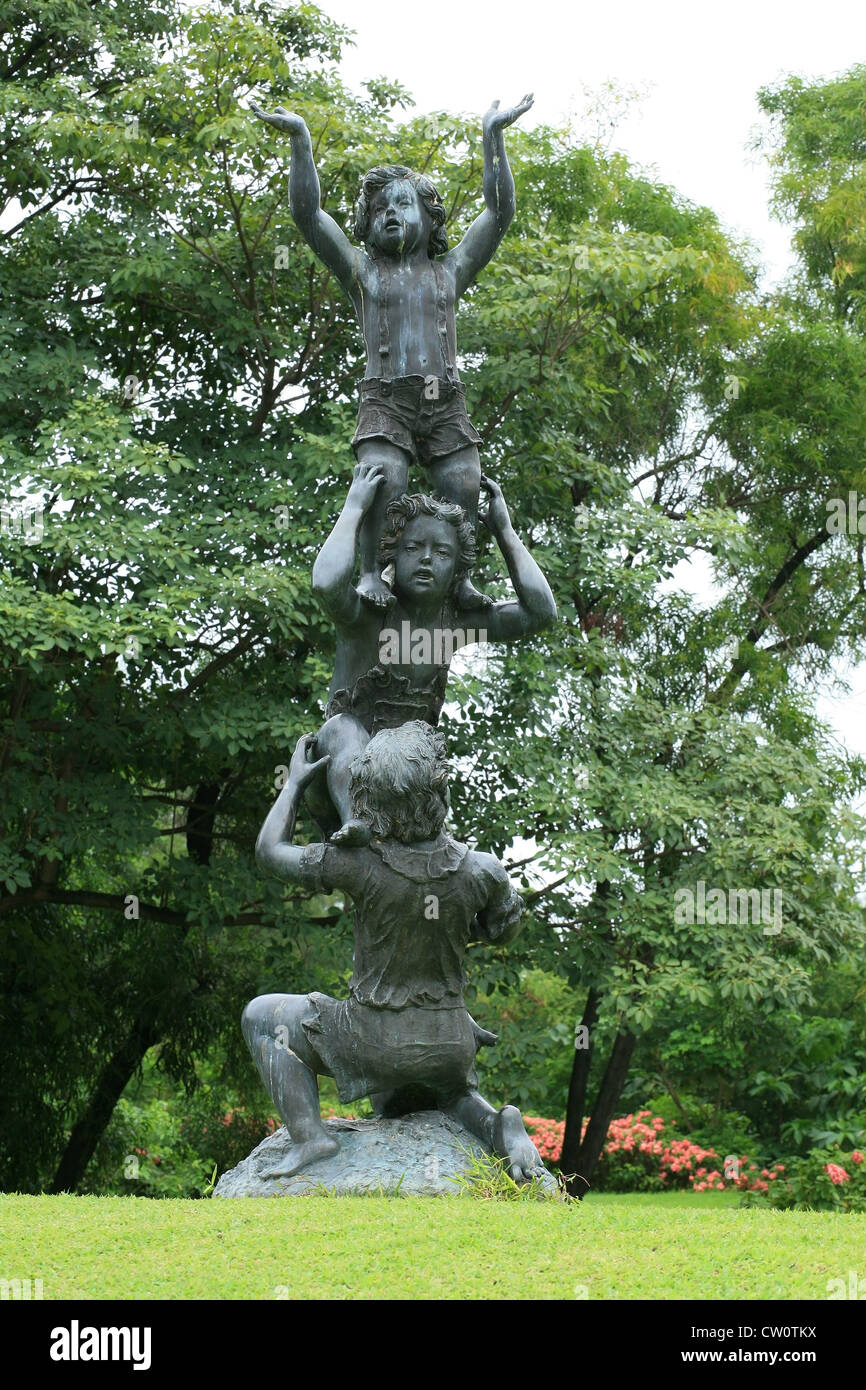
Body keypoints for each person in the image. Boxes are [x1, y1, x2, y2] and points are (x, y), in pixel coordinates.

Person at [251, 92, 534, 609]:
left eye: (402, 204)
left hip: (445, 399)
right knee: (384, 477)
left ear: (430, 217)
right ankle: (368, 571)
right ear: (366, 224)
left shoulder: (450, 270)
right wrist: (301, 142)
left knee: (463, 483)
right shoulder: (365, 274)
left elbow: (499, 213)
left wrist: (493, 138)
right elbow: (309, 214)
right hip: (386, 398)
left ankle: (462, 576)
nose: (390, 214)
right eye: (378, 208)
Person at [246, 720, 547, 1183]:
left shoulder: (355, 864)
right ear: (439, 794)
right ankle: (497, 1122)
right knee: (443, 1096)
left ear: (370, 799)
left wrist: (294, 785)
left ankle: (310, 1137)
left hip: (375, 1041)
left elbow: (269, 851)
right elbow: (503, 929)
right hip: (448, 1042)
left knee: (262, 1016)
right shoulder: (483, 870)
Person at [303, 459, 556, 842]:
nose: (425, 558)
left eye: (441, 552)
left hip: (408, 786)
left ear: (458, 569)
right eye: (413, 547)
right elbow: (325, 585)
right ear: (393, 554)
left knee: (428, 764)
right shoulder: (368, 616)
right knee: (342, 729)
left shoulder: (456, 623)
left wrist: (504, 531)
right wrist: (354, 508)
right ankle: (359, 821)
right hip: (336, 779)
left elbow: (540, 612)